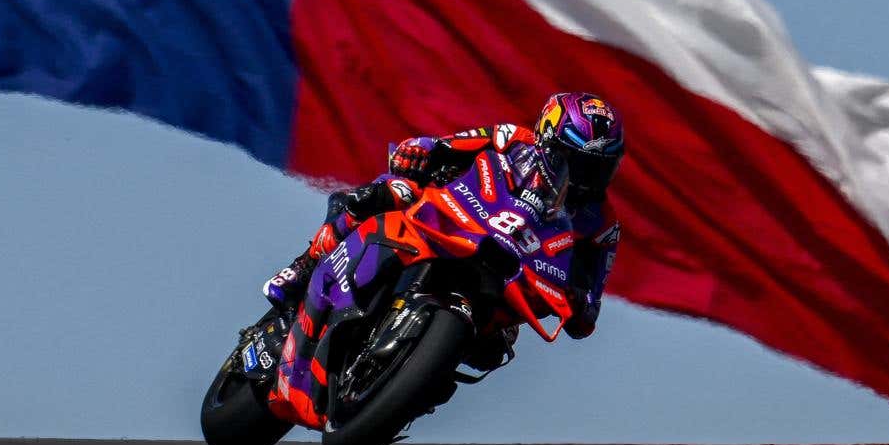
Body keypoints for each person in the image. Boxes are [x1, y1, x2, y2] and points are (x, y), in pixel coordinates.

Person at [262, 92, 624, 349]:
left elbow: (589, 311)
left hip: (507, 276)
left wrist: (579, 301)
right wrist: (420, 151)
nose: (582, 176)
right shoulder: (510, 138)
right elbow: (444, 145)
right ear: (547, 139)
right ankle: (304, 266)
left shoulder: (602, 227)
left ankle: (408, 385)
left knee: (497, 347)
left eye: (598, 167)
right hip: (455, 217)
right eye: (574, 161)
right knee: (390, 191)